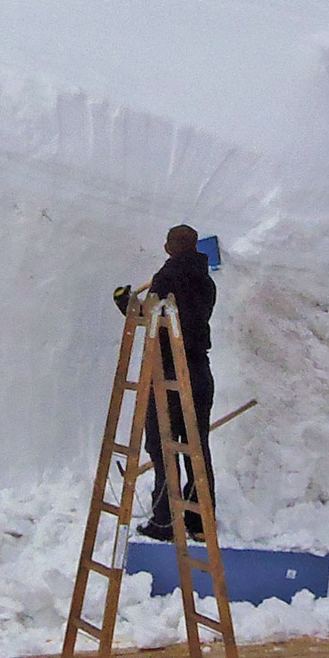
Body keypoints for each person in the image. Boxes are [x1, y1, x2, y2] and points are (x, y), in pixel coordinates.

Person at [122, 225, 215, 541]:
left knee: (162, 445)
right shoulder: (207, 282)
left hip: (169, 371)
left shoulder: (167, 278)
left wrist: (125, 304)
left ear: (171, 247)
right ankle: (199, 521)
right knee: (196, 447)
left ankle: (164, 522)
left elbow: (149, 317)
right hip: (200, 371)